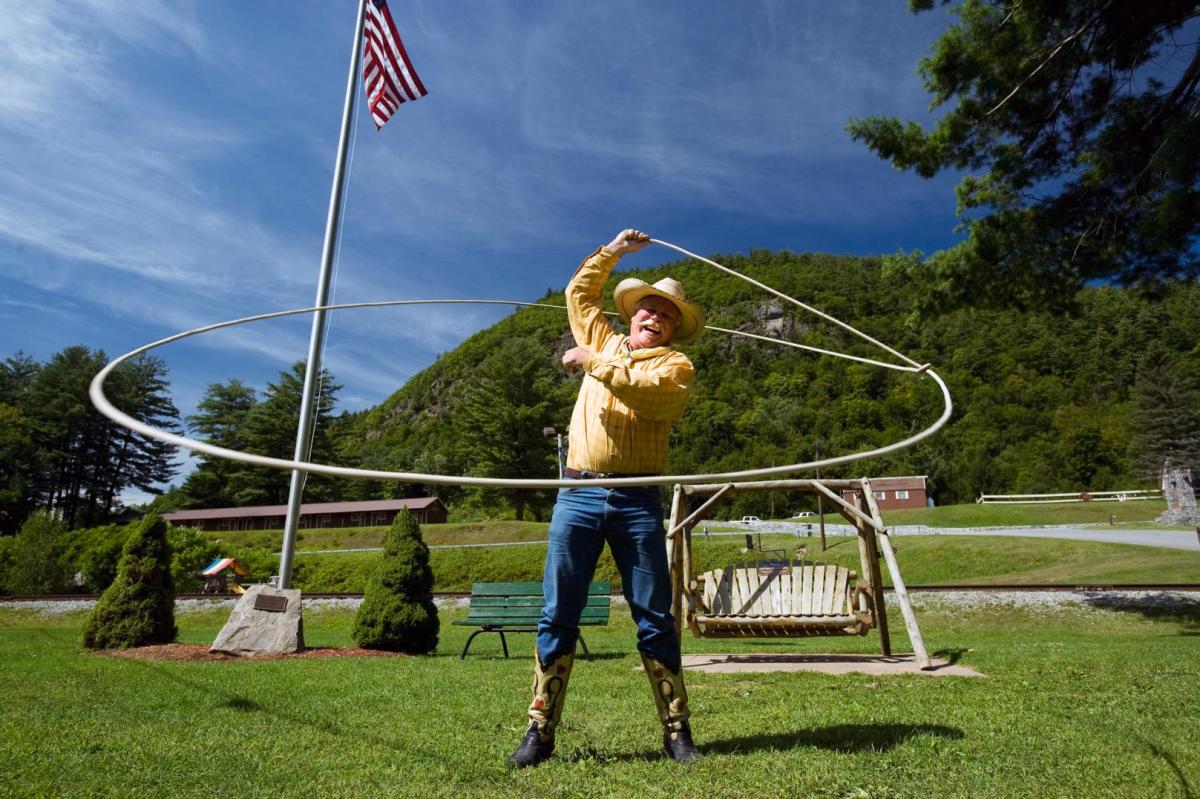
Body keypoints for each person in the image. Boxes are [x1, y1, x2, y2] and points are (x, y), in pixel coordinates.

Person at [508, 228, 706, 768]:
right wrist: (613, 252)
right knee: (558, 613)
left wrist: (592, 363)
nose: (653, 319)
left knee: (654, 616)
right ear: (631, 314)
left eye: (665, 315)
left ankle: (676, 732)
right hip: (577, 492)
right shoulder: (600, 334)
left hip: (638, 499)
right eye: (647, 309)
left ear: (673, 329)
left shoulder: (675, 367)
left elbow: (656, 400)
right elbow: (579, 294)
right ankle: (540, 729)